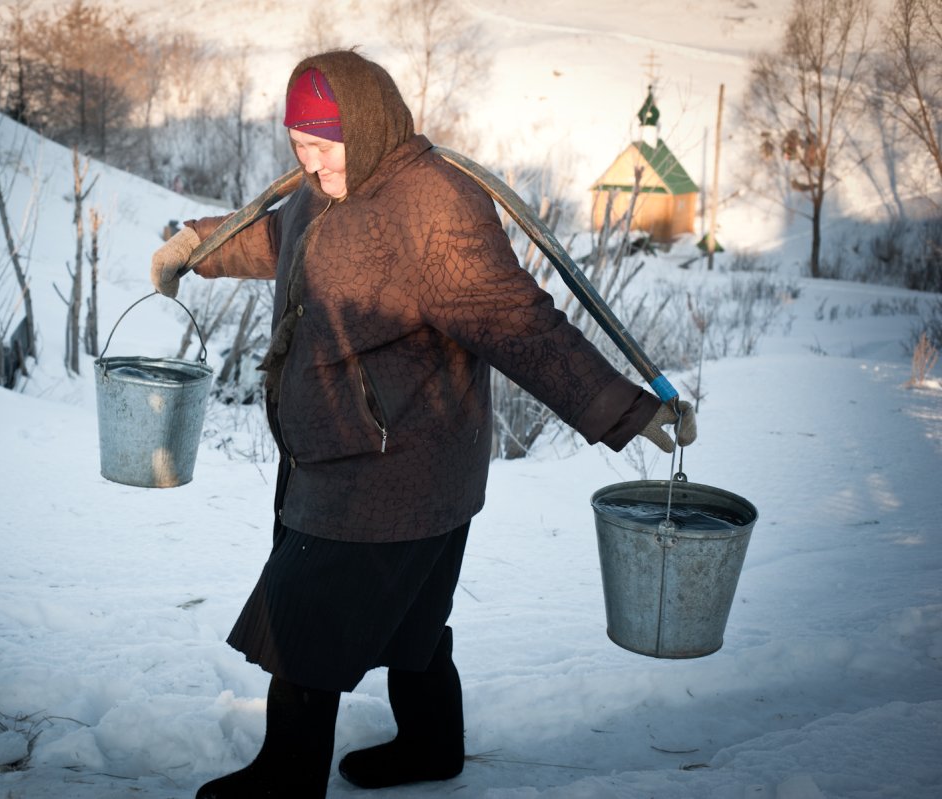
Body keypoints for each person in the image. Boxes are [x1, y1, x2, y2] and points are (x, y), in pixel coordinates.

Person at [150, 49, 696, 799]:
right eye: (299, 148)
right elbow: (279, 242)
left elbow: (519, 324)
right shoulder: (329, 191)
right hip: (365, 454)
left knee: (303, 622)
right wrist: (197, 246)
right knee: (410, 623)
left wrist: (626, 410)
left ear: (368, 126)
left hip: (390, 466)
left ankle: (285, 778)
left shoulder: (432, 206)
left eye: (322, 146)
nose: (310, 166)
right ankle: (432, 746)